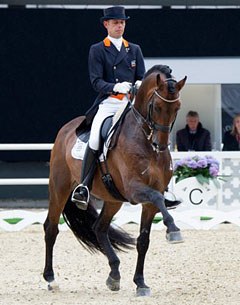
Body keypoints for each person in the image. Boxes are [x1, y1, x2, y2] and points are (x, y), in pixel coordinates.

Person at [71, 6, 181, 211]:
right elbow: (95, 81)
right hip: (110, 103)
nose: (119, 26)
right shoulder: (97, 49)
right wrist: (114, 87)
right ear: (106, 24)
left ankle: (163, 186)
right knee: (95, 137)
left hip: (131, 104)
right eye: (115, 22)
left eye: (122, 22)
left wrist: (139, 85)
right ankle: (84, 187)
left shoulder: (134, 49)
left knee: (154, 133)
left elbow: (141, 76)